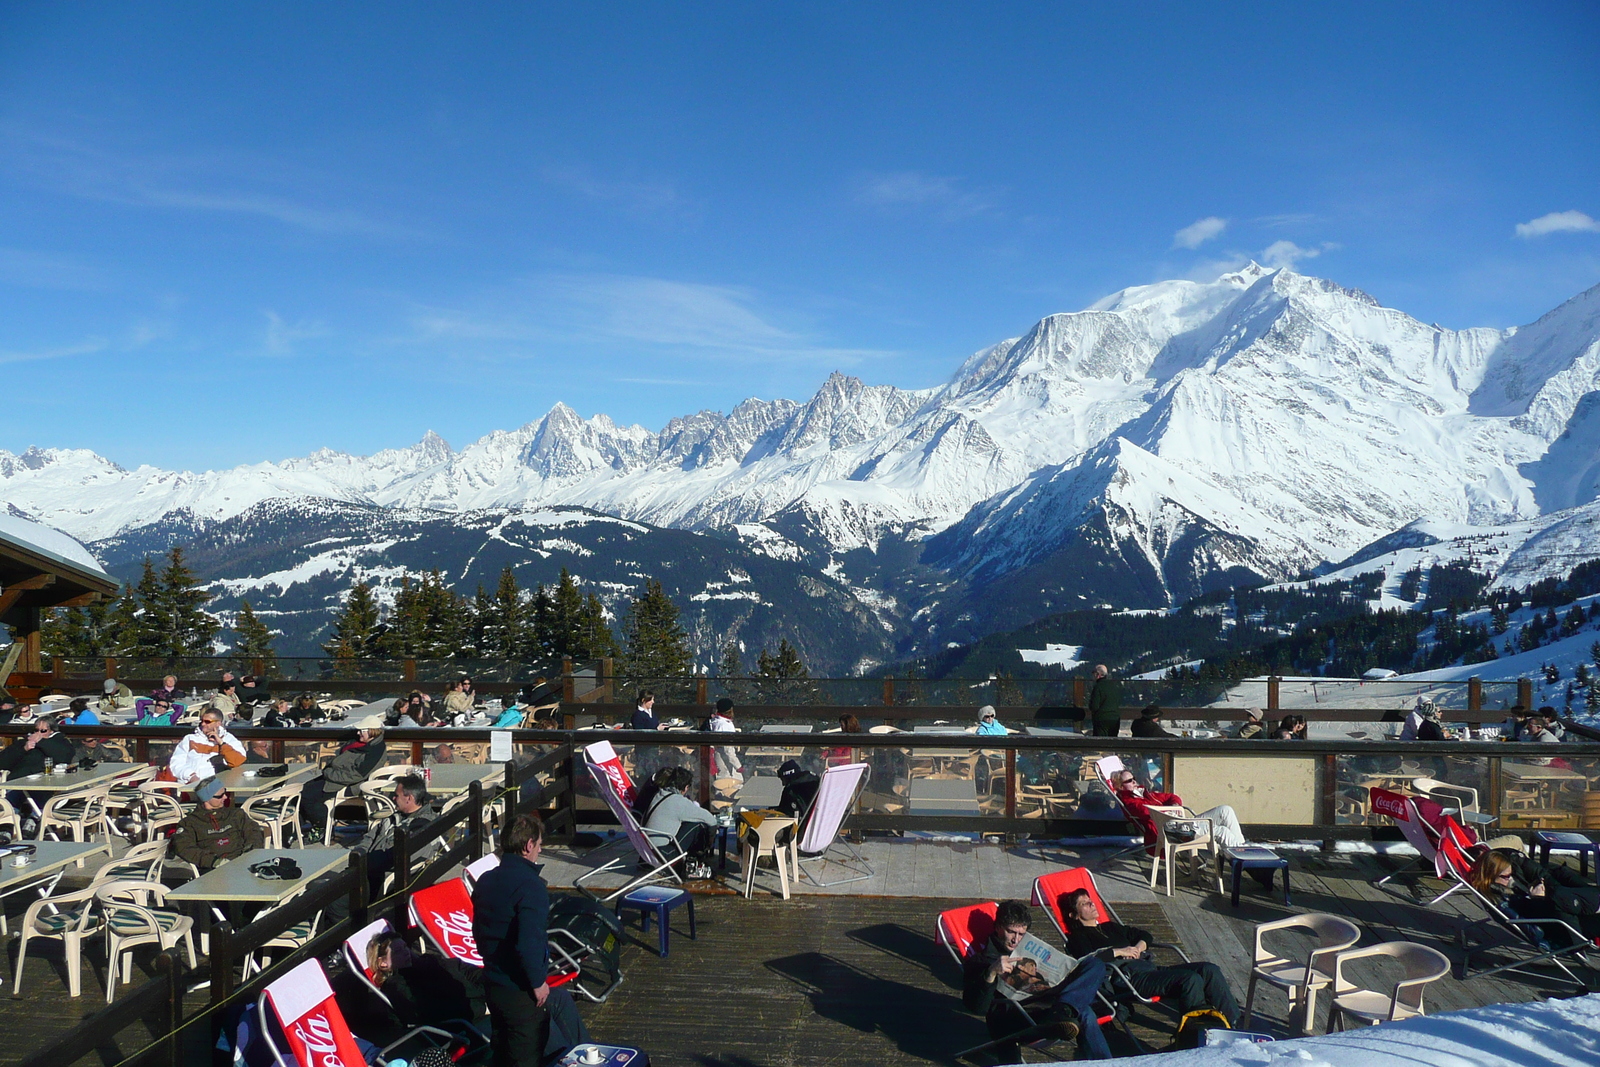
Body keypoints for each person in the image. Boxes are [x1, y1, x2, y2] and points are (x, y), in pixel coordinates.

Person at [474, 813, 588, 1066]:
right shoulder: (530, 885)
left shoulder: (485, 880)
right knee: (525, 1056)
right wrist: (537, 983)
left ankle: (587, 1053)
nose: (539, 850)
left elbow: (478, 934)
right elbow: (528, 943)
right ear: (528, 846)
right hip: (520, 990)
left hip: (493, 984)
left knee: (504, 1047)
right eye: (538, 845)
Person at [1059, 887, 1238, 1023]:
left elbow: (1144, 935)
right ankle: (1196, 1033)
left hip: (1148, 969)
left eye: (1090, 900)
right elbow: (1087, 960)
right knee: (1190, 979)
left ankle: (1234, 1024)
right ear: (1073, 915)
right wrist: (1121, 951)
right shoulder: (1077, 938)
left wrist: (1137, 948)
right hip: (1127, 977)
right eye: (1084, 903)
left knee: (1209, 969)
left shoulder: (1109, 927)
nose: (1091, 904)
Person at [961, 899, 1110, 1061]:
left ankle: (1064, 1009)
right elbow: (977, 1008)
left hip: (1047, 1006)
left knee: (1094, 964)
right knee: (1085, 1011)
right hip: (1014, 1018)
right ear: (998, 928)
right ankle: (1106, 1063)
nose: (1015, 940)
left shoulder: (1029, 950)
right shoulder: (981, 962)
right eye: (1011, 932)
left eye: (1021, 934)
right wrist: (990, 973)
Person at [1469, 850, 1600, 946]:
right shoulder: (1497, 897)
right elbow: (1528, 920)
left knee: (1561, 877)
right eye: (1505, 876)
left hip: (1566, 920)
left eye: (1510, 874)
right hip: (1561, 932)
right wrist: (1538, 899)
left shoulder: (1503, 887)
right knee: (1558, 895)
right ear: (1490, 876)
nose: (1509, 879)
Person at [1110, 767, 1245, 851]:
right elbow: (1149, 811)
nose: (1134, 782)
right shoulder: (1130, 802)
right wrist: (1169, 810)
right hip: (1171, 833)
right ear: (1121, 787)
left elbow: (1171, 796)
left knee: (1225, 810)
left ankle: (1243, 850)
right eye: (1129, 781)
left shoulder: (1143, 793)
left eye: (1134, 779)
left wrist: (1174, 805)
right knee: (1222, 832)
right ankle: (1240, 857)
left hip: (1181, 824)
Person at [300, 717, 388, 840]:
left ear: (371, 731)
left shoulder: (374, 751)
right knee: (303, 790)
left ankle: (322, 827)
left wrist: (329, 773)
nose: (358, 733)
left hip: (348, 785)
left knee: (308, 796)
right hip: (335, 777)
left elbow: (356, 775)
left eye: (361, 730)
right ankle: (298, 829)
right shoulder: (362, 744)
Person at [353, 774, 437, 899]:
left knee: (334, 904)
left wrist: (363, 863)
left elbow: (395, 857)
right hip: (365, 868)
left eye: (396, 795)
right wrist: (358, 853)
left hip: (383, 878)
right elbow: (369, 837)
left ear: (409, 798)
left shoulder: (421, 826)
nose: (393, 798)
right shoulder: (396, 816)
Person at [169, 776, 264, 871]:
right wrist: (214, 861)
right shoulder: (190, 823)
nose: (225, 797)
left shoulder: (236, 815)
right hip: (213, 870)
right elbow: (184, 847)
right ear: (206, 799)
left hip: (243, 863)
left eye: (225, 792)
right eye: (220, 795)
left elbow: (254, 831)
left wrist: (250, 851)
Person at [639, 766, 717, 879]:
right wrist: (709, 843)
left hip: (646, 852)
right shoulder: (678, 801)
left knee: (688, 822)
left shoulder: (658, 795)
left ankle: (694, 860)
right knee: (698, 825)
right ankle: (694, 864)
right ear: (686, 787)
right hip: (663, 855)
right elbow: (711, 820)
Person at [1, 715, 75, 827]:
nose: (38, 733)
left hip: (45, 784)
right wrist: (24, 749)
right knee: (12, 800)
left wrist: (41, 742)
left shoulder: (59, 742)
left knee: (41, 796)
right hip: (18, 782)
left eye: (43, 731)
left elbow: (64, 756)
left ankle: (32, 824)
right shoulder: (23, 742)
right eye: (36, 730)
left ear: (52, 731)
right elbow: (3, 761)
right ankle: (7, 828)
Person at [168, 708, 247, 783]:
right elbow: (176, 763)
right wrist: (191, 776)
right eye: (202, 721)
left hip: (217, 785)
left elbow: (238, 761)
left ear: (218, 723)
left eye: (207, 722)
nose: (203, 724)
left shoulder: (229, 739)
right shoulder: (190, 738)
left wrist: (220, 742)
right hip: (189, 783)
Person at [707, 697, 742, 778]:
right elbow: (728, 750)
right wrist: (738, 766)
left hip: (719, 756)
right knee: (727, 783)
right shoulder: (724, 725)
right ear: (730, 710)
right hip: (725, 759)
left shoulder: (716, 721)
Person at [1088, 665, 1120, 738]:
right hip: (1115, 718)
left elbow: (1094, 706)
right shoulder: (1114, 686)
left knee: (1100, 743)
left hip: (1102, 719)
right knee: (1113, 741)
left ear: (1098, 675)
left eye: (1094, 673)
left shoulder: (1098, 687)